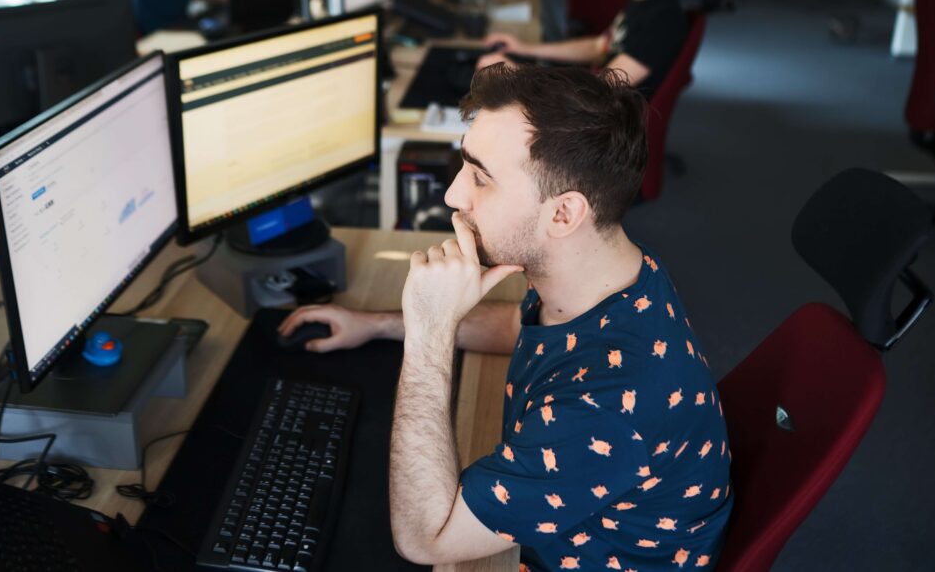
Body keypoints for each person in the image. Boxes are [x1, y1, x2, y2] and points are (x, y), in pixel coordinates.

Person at [279, 65, 732, 571]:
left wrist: (429, 331)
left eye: (480, 178)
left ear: (563, 214)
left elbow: (427, 539)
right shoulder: (608, 271)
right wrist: (380, 324)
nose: (453, 195)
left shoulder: (606, 408)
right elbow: (523, 330)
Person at [478, 0, 688, 98]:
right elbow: (598, 47)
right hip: (591, 96)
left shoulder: (663, 20)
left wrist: (522, 74)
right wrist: (524, 48)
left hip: (605, 119)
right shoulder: (641, 4)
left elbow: (603, 86)